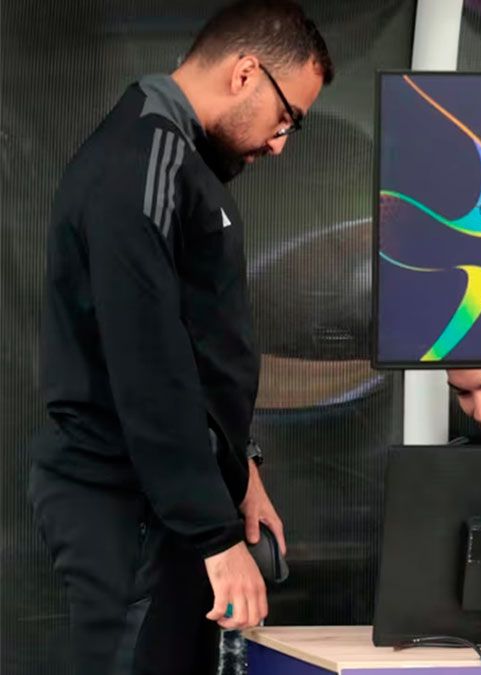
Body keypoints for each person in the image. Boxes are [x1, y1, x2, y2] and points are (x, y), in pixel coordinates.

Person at [28, 2, 333, 672]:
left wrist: (241, 471)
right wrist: (214, 535)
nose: (280, 143)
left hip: (167, 508)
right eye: (287, 118)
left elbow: (198, 348)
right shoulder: (144, 162)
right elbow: (149, 365)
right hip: (130, 505)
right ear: (245, 73)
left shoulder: (177, 161)